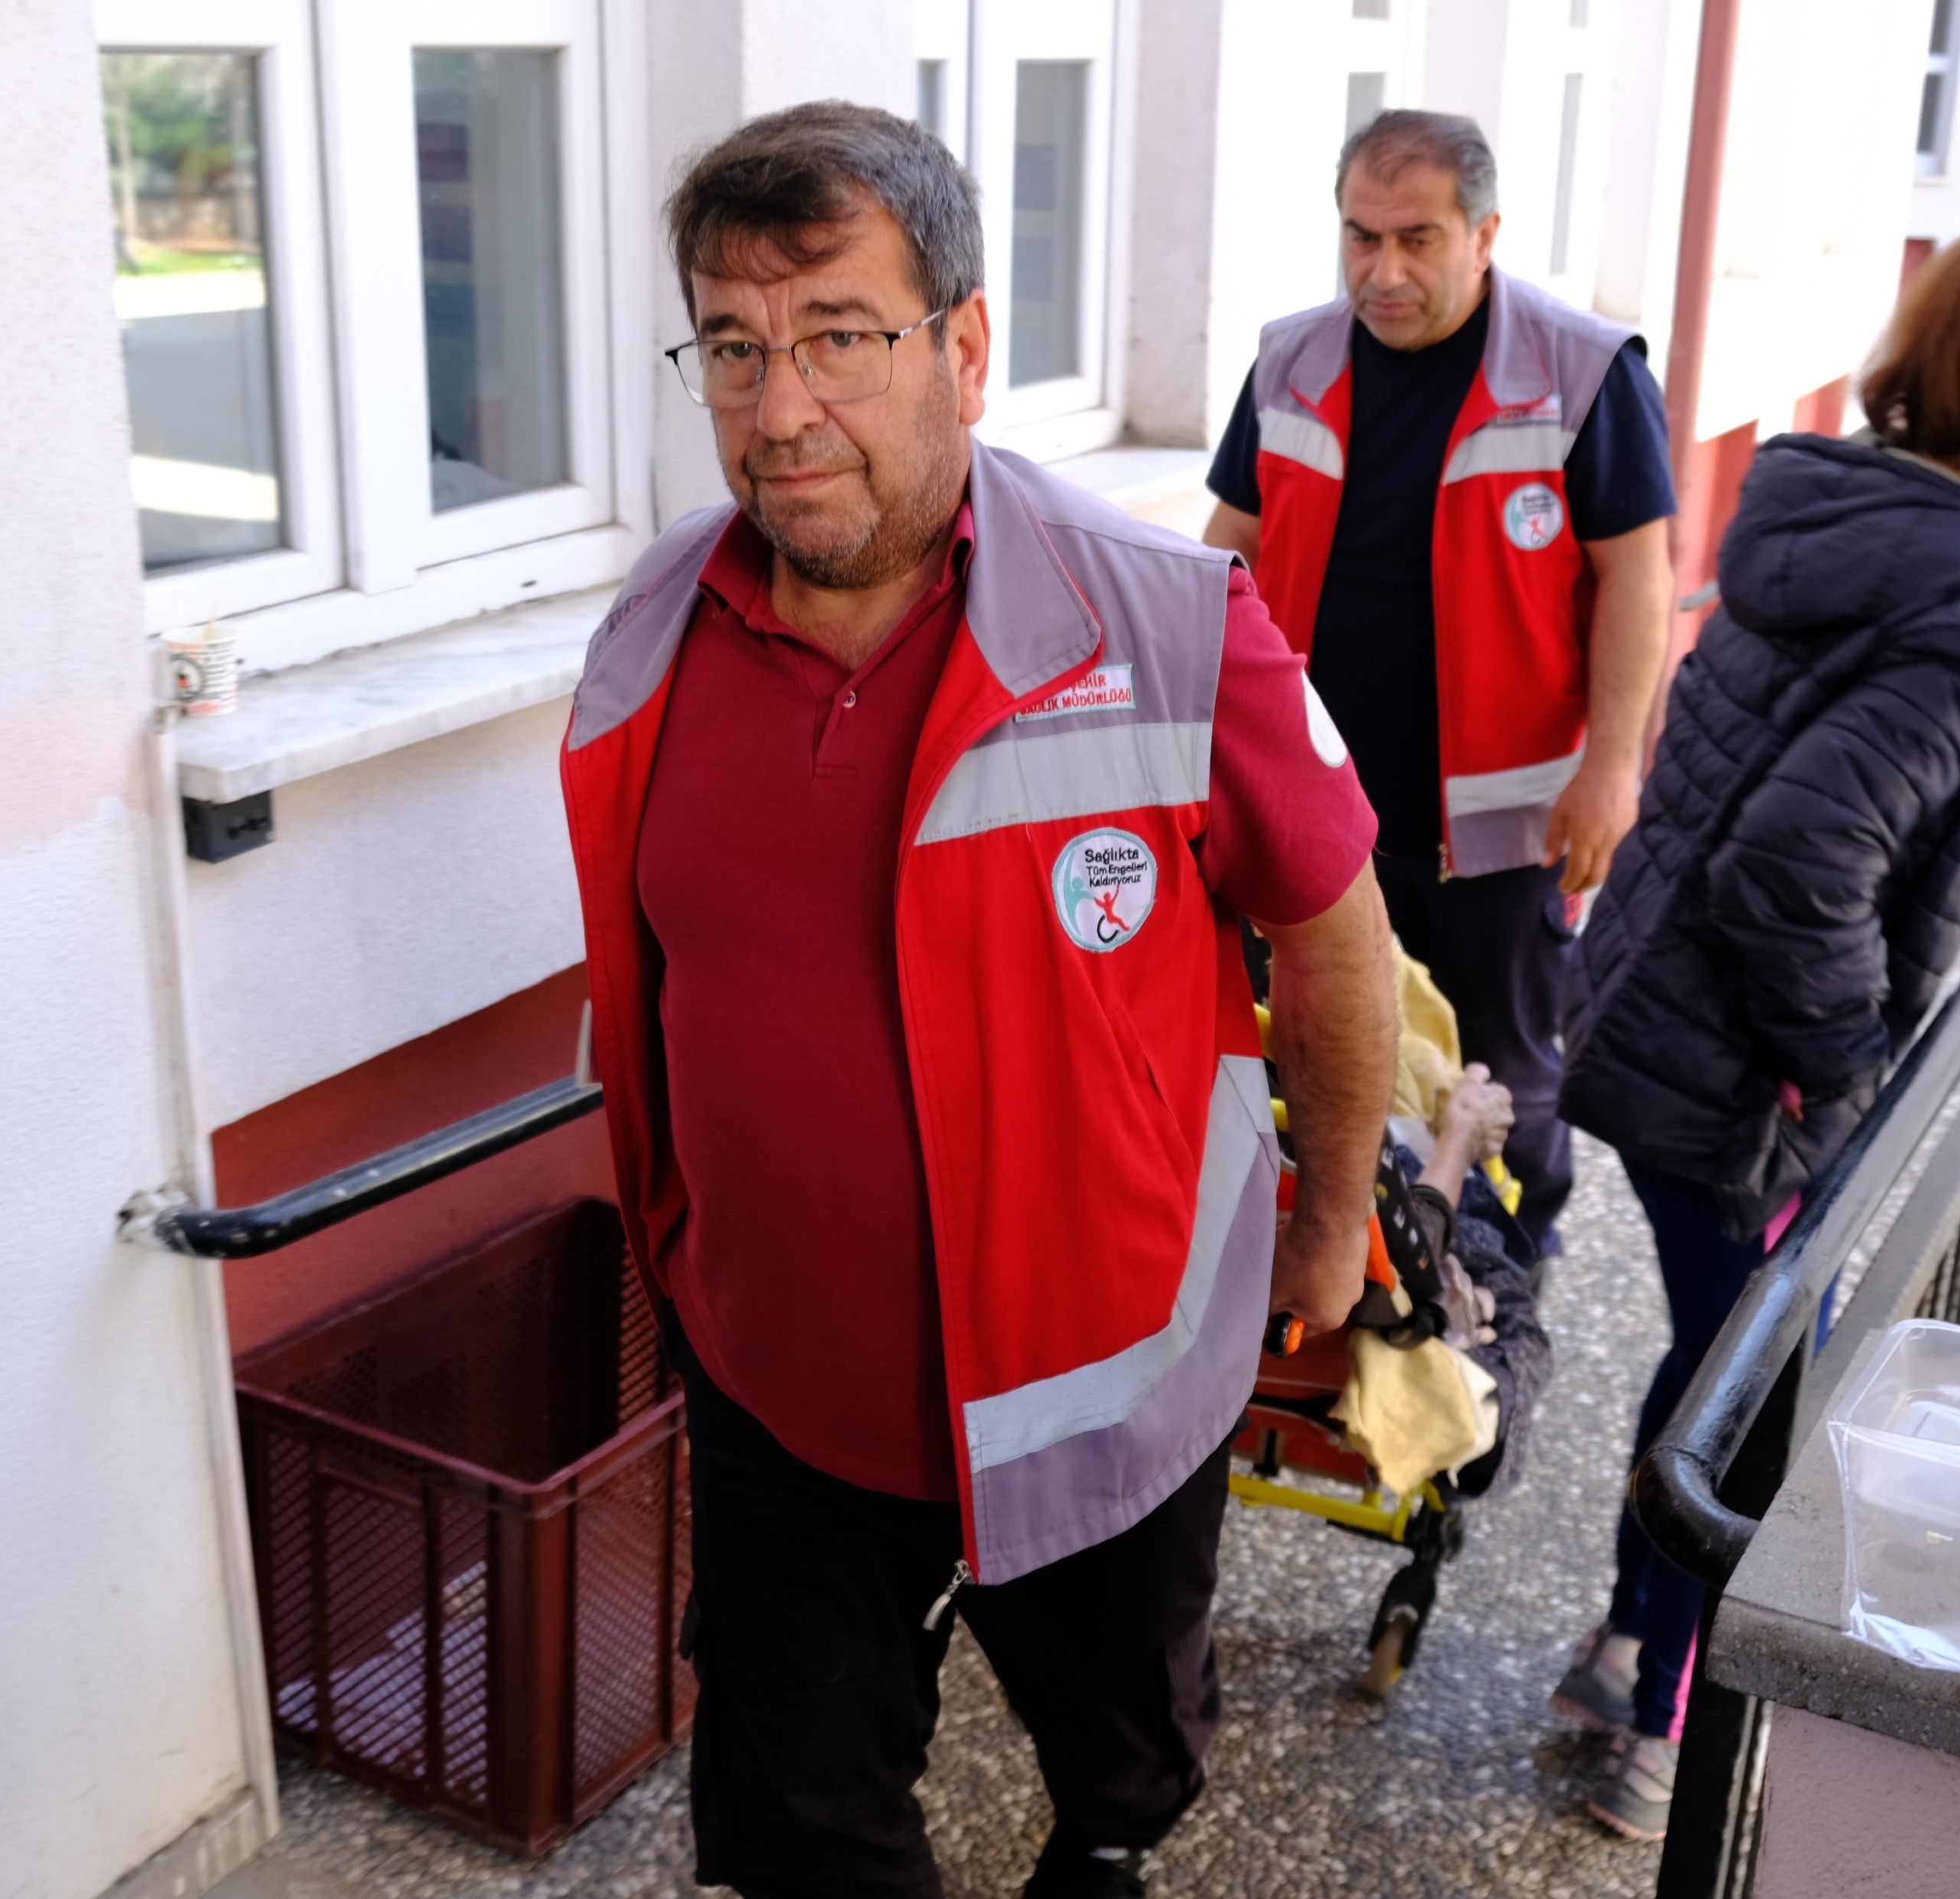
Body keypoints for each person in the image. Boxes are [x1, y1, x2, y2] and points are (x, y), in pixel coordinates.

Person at [562, 103, 1400, 1899]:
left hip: (1106, 1401)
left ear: (963, 343)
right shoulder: (647, 636)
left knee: (1119, 1767)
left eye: (839, 337)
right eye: (730, 345)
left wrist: (1326, 1222)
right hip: (781, 1391)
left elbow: (1334, 932)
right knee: (792, 1821)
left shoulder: (1169, 626)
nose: (777, 407)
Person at [1551, 226, 1960, 1840]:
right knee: (1746, 1404)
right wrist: (1851, 1057)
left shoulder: (1825, 503)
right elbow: (1801, 858)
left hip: (1650, 1015)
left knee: (1708, 1362)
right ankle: (1658, 1701)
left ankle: (1624, 1648)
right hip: (1742, 1073)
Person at [1201, 111, 1678, 1264]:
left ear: (1485, 232)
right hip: (1317, 815)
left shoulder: (1581, 370)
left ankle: (1501, 1291)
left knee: (1501, 1069)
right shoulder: (1292, 360)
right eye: (1361, 238)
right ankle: (1348, 1286)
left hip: (1499, 829)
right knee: (1314, 1052)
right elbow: (1226, 558)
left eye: (1417, 239)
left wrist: (1613, 765)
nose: (1384, 270)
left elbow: (1638, 581)